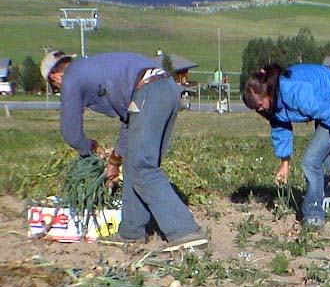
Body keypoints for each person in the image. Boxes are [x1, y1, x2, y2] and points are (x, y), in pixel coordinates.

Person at [40, 50, 207, 251]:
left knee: (141, 167)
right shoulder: (98, 68)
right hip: (167, 89)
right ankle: (131, 232)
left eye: (56, 88)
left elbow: (70, 132)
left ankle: (185, 230)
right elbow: (131, 120)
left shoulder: (72, 76)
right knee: (135, 165)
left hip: (149, 92)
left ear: (55, 76)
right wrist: (114, 161)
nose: (60, 90)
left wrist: (89, 148)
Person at [243, 62, 330, 229]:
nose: (260, 110)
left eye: (260, 105)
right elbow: (281, 127)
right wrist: (284, 163)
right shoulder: (270, 103)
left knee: (311, 161)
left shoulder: (294, 91)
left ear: (267, 92)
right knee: (329, 163)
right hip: (328, 106)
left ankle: (313, 216)